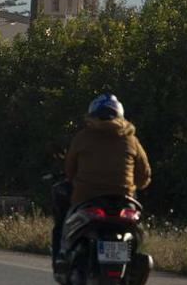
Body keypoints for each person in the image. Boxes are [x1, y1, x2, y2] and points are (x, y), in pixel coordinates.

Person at [51, 93, 152, 267]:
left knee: (63, 223)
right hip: (124, 200)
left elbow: (70, 172)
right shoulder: (131, 140)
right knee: (139, 231)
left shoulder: (82, 138)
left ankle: (61, 256)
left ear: (92, 115)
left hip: (86, 199)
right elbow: (143, 176)